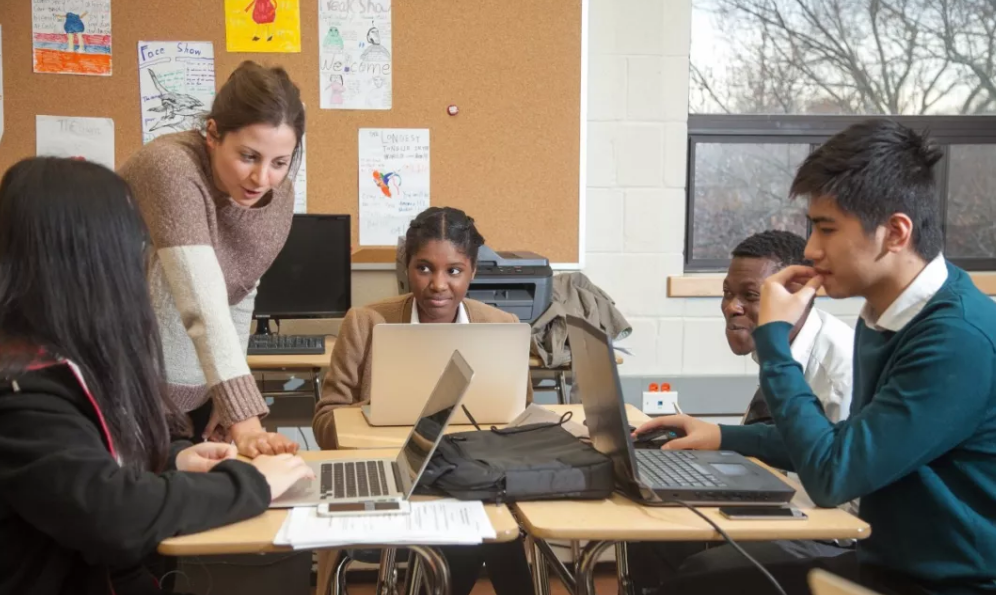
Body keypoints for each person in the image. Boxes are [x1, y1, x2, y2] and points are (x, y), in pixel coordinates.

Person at [639, 119, 996, 595]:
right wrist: (722, 436)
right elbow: (849, 442)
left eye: (827, 229)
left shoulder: (957, 338)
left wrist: (774, 340)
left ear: (895, 232)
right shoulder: (885, 316)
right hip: (885, 566)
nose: (810, 249)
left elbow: (833, 475)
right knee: (695, 580)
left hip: (949, 585)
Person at [0, 157, 314, 595]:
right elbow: (114, 515)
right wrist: (254, 483)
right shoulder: (21, 390)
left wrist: (170, 460)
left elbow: (85, 468)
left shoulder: (56, 359)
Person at [313, 206, 534, 595]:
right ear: (407, 267)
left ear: (472, 272)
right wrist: (373, 414)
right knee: (482, 526)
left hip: (473, 474)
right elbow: (325, 421)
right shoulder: (366, 322)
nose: (438, 284)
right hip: (390, 474)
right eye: (424, 268)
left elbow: (521, 418)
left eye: (454, 271)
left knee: (485, 517)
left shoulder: (502, 326)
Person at [628, 230, 855, 592]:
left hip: (837, 534)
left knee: (705, 571)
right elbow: (795, 441)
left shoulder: (837, 369)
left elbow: (834, 473)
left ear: (797, 295)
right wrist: (718, 435)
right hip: (794, 500)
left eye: (750, 296)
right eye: (727, 293)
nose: (731, 307)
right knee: (652, 533)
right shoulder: (786, 343)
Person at [119, 60, 305, 457]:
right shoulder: (170, 167)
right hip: (121, 378)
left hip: (192, 385)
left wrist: (228, 398)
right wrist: (245, 418)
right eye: (248, 156)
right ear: (213, 134)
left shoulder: (279, 195)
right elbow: (199, 298)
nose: (262, 179)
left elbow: (240, 292)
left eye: (279, 163)